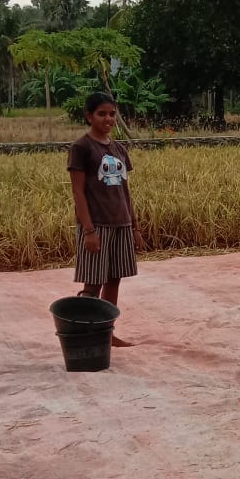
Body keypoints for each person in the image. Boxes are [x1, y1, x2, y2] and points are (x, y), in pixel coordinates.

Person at [67, 92, 143, 347]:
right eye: (101, 114)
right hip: (96, 224)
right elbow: (78, 192)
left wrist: (134, 226)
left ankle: (106, 332)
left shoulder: (119, 149)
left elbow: (125, 190)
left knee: (114, 279)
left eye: (112, 114)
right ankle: (84, 334)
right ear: (89, 116)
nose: (108, 119)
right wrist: (88, 230)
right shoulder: (81, 148)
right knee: (93, 282)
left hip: (120, 222)